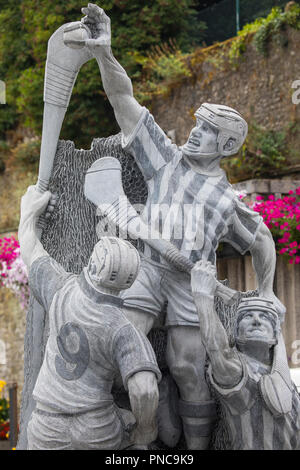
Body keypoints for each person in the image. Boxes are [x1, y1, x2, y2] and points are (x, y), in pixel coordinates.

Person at [74, 3, 286, 449]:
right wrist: (105, 55)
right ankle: (141, 425)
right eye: (197, 125)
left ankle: (193, 449)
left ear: (225, 145)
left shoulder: (227, 202)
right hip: (148, 269)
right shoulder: (164, 160)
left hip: (193, 283)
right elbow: (123, 101)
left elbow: (263, 240)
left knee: (190, 368)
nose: (194, 132)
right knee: (123, 341)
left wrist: (266, 291)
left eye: (207, 131)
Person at [18, 186, 161, 450]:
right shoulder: (124, 328)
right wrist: (145, 429)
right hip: (97, 429)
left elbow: (29, 245)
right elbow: (145, 389)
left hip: (46, 425)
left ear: (93, 264)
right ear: (127, 283)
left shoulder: (60, 289)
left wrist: (29, 211)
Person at [191, 260, 300, 450]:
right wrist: (202, 297)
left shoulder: (289, 387)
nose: (256, 321)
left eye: (265, 317)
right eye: (248, 316)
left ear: (276, 336)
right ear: (236, 333)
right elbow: (218, 349)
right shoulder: (240, 373)